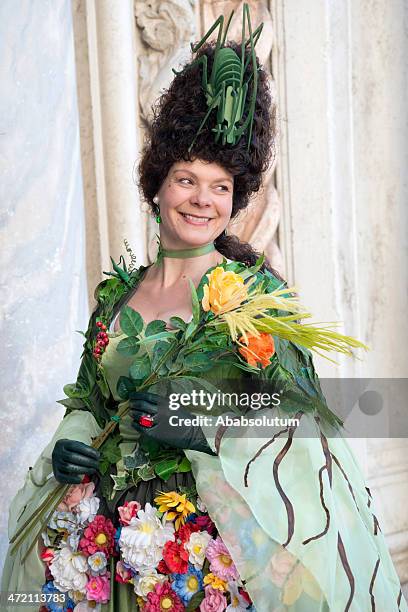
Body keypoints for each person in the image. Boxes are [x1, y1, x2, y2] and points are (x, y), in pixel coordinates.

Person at [2, 5, 407, 612]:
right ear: (157, 184)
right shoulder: (117, 296)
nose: (203, 200)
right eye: (187, 179)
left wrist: (204, 427)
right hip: (111, 545)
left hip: (205, 559)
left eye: (221, 187)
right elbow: (91, 400)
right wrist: (69, 443)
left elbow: (309, 423)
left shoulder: (256, 299)